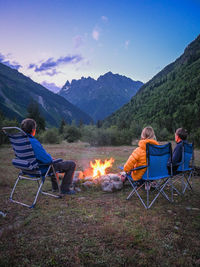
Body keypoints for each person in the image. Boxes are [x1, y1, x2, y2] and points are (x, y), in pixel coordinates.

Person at [21, 118, 76, 195]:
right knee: (71, 164)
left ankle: (56, 188)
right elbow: (47, 160)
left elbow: (39, 156)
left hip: (26, 168)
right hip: (39, 169)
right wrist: (52, 159)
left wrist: (50, 158)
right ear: (33, 129)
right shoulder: (32, 142)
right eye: (35, 128)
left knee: (53, 162)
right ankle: (65, 189)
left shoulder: (21, 141)